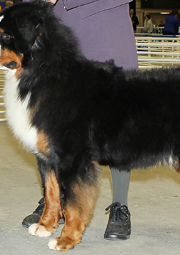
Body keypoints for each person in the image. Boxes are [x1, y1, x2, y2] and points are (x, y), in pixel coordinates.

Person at [22, 0, 138, 241]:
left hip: (105, 24)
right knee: (50, 119)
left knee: (116, 121)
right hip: (54, 27)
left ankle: (119, 205)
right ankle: (55, 201)